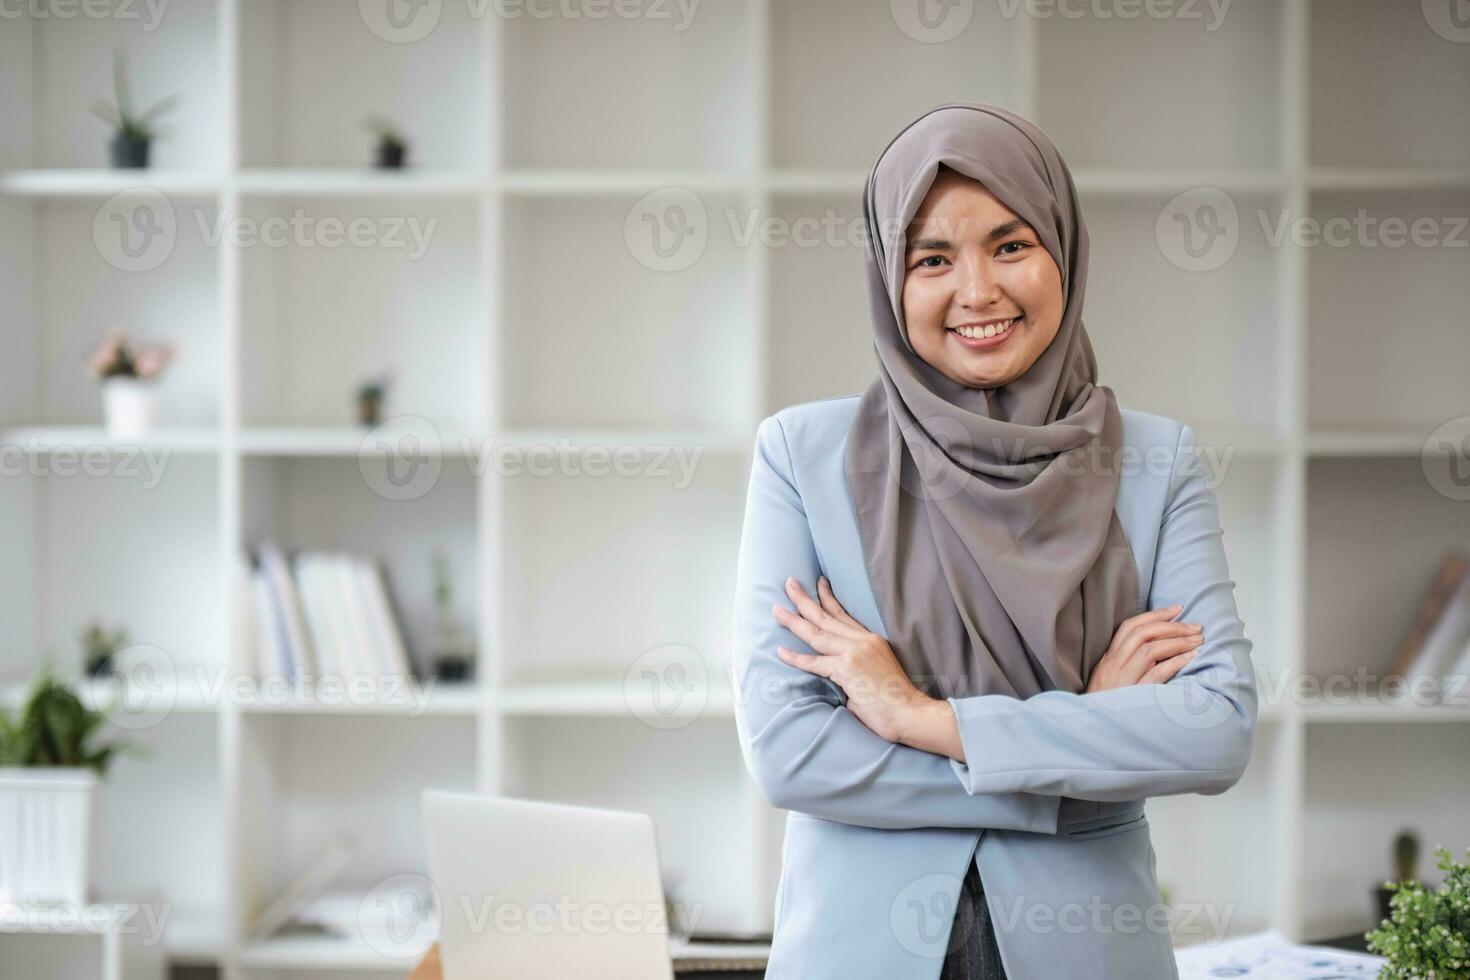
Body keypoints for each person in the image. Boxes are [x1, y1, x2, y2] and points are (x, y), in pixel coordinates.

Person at [731, 103, 1257, 979]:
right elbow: (791, 755)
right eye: (932, 259)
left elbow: (1216, 728)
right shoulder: (802, 456)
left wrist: (920, 719)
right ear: (889, 277)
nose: (977, 292)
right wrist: (1083, 740)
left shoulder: (1158, 462)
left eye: (1011, 245)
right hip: (862, 951)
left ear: (1064, 247)